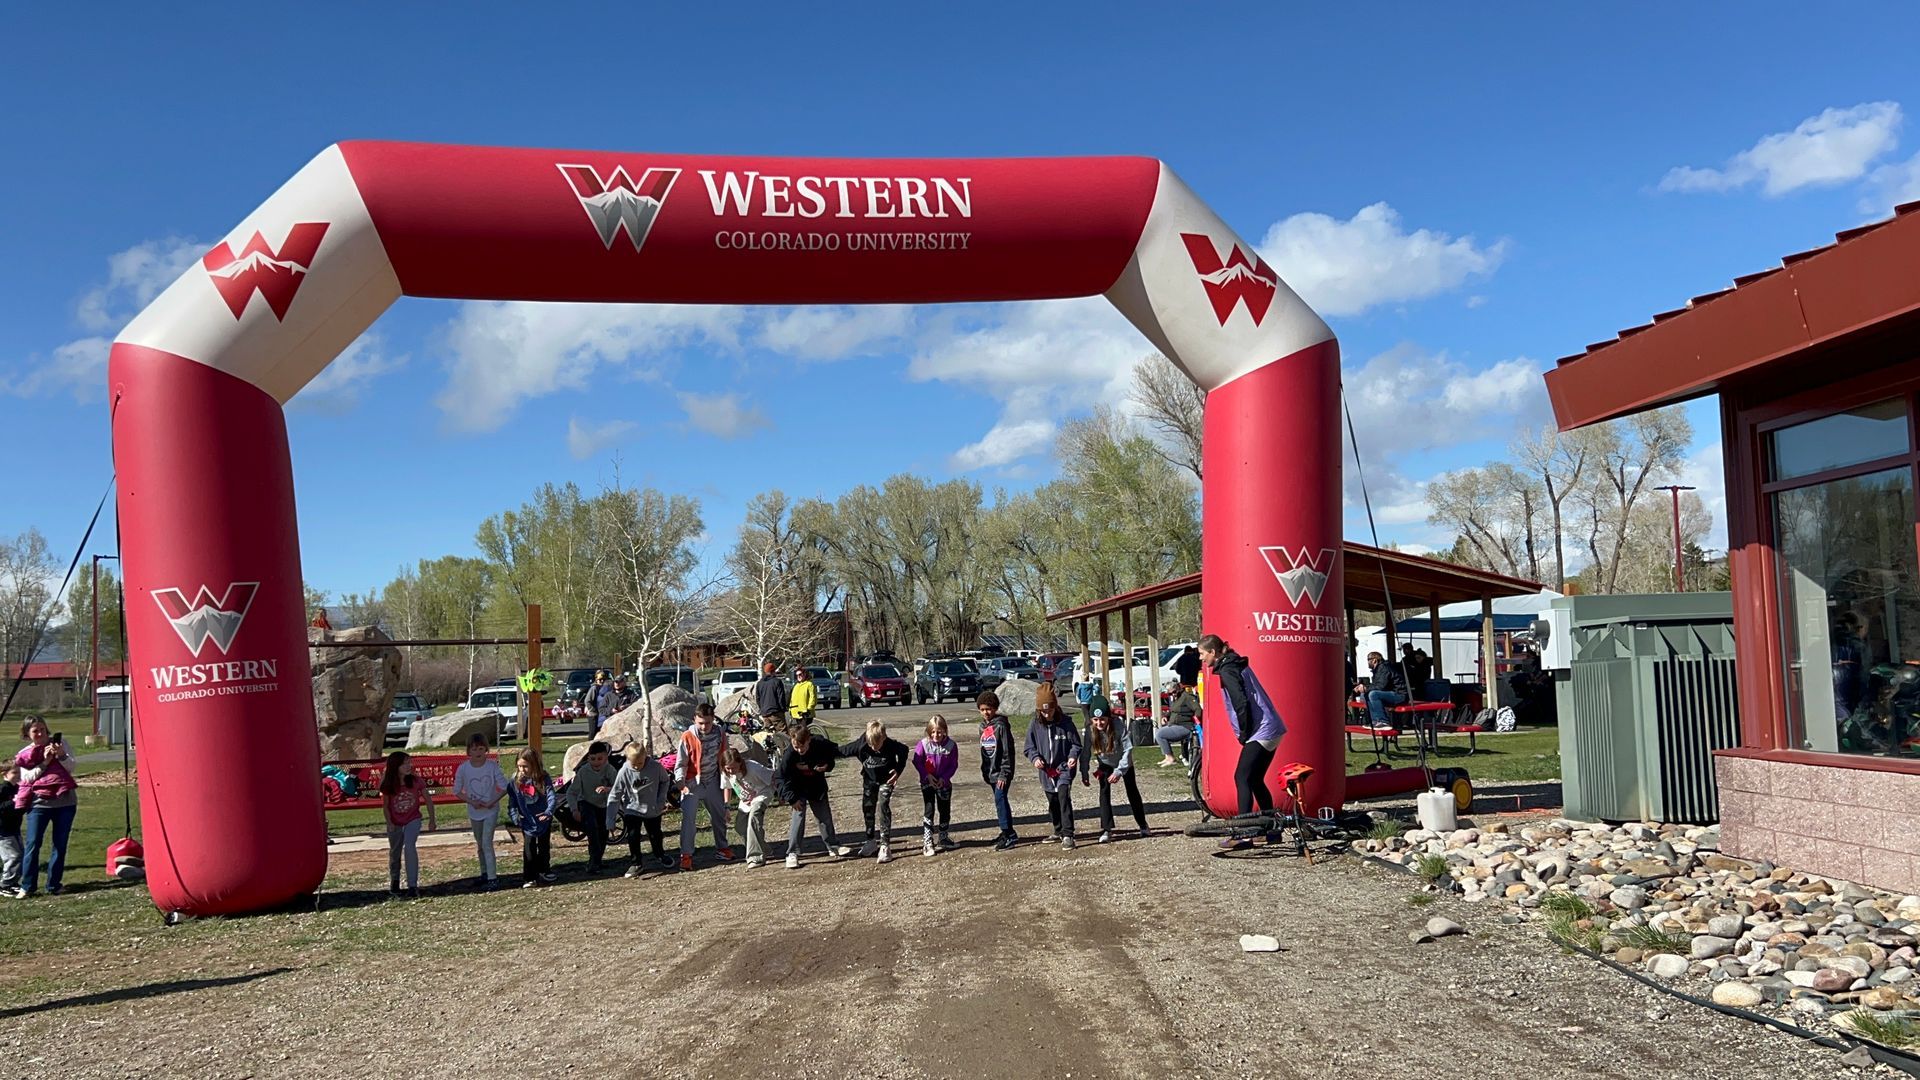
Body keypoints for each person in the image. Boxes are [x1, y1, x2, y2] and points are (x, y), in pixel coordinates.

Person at [1201, 634, 1286, 848]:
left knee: (1241, 777)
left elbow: (1241, 702)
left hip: (1261, 730)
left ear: (1213, 652)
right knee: (1255, 779)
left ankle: (1244, 833)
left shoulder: (1228, 669)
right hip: (1273, 727)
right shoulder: (1234, 663)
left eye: (1203, 654)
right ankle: (1272, 831)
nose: (1202, 660)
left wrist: (1244, 732)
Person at [774, 720, 850, 869]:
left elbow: (833, 752)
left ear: (809, 739)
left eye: (802, 746)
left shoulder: (820, 743)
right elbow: (780, 777)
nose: (800, 750)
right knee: (798, 817)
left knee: (824, 817)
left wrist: (827, 766)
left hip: (816, 786)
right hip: (797, 788)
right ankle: (792, 853)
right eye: (796, 746)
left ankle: (833, 845)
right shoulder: (790, 754)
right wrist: (791, 798)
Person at [14, 717, 76, 896]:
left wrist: (61, 755)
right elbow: (26, 778)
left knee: (60, 844)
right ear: (27, 734)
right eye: (35, 731)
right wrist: (45, 762)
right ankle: (27, 886)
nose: (40, 733)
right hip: (39, 803)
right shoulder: (25, 753)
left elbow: (71, 767)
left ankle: (54, 884)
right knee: (33, 843)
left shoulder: (60, 743)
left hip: (65, 802)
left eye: (42, 729)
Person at [840, 718, 910, 863]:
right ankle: (870, 840)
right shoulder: (861, 745)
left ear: (884, 737)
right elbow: (842, 751)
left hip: (886, 779)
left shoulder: (891, 745)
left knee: (883, 805)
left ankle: (885, 845)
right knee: (868, 807)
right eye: (871, 745)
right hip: (870, 780)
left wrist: (898, 770)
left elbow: (904, 750)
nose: (873, 748)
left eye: (877, 745)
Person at [675, 704, 734, 870]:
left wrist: (726, 778)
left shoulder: (720, 733)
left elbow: (724, 756)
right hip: (692, 783)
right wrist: (680, 782)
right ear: (694, 719)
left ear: (713, 719)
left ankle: (722, 848)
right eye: (701, 723)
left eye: (707, 723)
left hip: (713, 780)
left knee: (719, 814)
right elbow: (681, 762)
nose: (704, 726)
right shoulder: (687, 736)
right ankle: (686, 855)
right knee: (689, 820)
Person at [1025, 685, 1082, 850]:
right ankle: (1058, 830)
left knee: (1064, 798)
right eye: (1043, 711)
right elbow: (1029, 747)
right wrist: (1035, 758)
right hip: (1046, 771)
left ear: (1055, 707)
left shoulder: (1066, 723)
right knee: (1053, 801)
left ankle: (1068, 834)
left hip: (1063, 769)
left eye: (1050, 709)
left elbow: (1076, 745)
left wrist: (1072, 756)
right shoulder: (1035, 724)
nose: (1047, 714)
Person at [452, 733, 511, 891]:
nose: (478, 752)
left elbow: (505, 786)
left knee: (487, 842)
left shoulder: (492, 766)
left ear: (486, 749)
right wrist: (472, 802)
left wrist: (492, 801)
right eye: (474, 749)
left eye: (481, 748)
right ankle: (484, 872)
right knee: (480, 844)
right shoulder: (464, 768)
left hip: (490, 810)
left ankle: (493, 877)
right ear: (468, 751)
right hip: (474, 810)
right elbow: (457, 790)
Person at [1083, 708, 1149, 842]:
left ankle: (1143, 825)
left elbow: (1128, 749)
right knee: (1104, 792)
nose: (1099, 723)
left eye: (1102, 719)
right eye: (1095, 720)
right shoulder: (1090, 730)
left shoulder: (1118, 725)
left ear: (1109, 718)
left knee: (1132, 791)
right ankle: (1107, 829)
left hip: (1123, 762)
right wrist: (1084, 771)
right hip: (1105, 763)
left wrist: (1119, 770)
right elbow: (1085, 753)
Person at [608, 743, 672, 876]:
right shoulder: (624, 771)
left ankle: (660, 854)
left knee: (655, 834)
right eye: (634, 764)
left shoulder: (655, 767)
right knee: (633, 836)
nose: (637, 766)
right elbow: (615, 794)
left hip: (652, 808)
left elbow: (665, 781)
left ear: (646, 757)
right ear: (627, 759)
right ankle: (636, 863)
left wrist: (660, 800)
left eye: (640, 763)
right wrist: (610, 818)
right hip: (632, 808)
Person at [380, 750, 436, 898]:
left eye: (409, 762)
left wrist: (432, 819)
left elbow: (428, 800)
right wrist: (390, 822)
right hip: (395, 821)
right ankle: (395, 880)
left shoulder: (416, 781)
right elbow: (385, 806)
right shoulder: (389, 783)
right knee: (395, 851)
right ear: (395, 766)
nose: (408, 766)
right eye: (404, 763)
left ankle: (412, 885)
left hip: (413, 818)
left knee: (410, 845)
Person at [720, 747, 777, 868]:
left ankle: (755, 857)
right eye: (728, 768)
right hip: (745, 799)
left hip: (762, 794)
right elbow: (727, 788)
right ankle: (765, 849)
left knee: (753, 818)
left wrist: (781, 793)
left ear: (740, 763)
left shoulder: (753, 768)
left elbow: (773, 776)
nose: (731, 771)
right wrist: (727, 807)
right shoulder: (726, 772)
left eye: (734, 768)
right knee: (740, 827)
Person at [507, 749, 556, 887]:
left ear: (534, 765)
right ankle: (529, 877)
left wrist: (548, 812)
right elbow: (512, 800)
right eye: (519, 766)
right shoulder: (515, 780)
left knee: (544, 845)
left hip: (543, 818)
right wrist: (514, 815)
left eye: (525, 766)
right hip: (527, 819)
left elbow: (551, 796)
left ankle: (544, 870)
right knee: (529, 847)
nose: (522, 770)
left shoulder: (543, 778)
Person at [911, 715, 959, 857]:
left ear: (944, 731)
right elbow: (917, 761)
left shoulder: (951, 745)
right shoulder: (924, 744)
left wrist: (944, 778)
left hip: (944, 783)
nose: (936, 735)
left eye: (939, 732)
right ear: (928, 732)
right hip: (928, 783)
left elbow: (953, 764)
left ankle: (943, 837)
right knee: (929, 809)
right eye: (933, 732)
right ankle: (928, 841)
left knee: (944, 810)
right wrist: (926, 775)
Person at [569, 740, 618, 874]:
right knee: (593, 831)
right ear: (588, 758)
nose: (596, 762)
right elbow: (572, 792)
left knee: (603, 833)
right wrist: (574, 809)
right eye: (593, 759)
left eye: (600, 759)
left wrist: (607, 789)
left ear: (606, 758)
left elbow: (618, 787)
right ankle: (592, 862)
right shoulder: (584, 771)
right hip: (586, 803)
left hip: (603, 805)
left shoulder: (610, 770)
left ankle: (598, 860)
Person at [977, 690, 1018, 850]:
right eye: (982, 709)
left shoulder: (1001, 726)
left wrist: (1004, 773)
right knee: (998, 801)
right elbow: (984, 751)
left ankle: (1009, 834)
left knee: (1001, 800)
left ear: (995, 708)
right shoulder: (982, 727)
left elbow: (1008, 752)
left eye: (989, 709)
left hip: (1001, 773)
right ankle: (1006, 831)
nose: (986, 712)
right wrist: (985, 770)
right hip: (990, 772)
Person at [1356, 650, 1410, 728]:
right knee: (1367, 694)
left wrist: (1365, 687)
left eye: (1368, 660)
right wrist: (1365, 688)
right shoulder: (1378, 670)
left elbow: (1381, 686)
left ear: (1374, 660)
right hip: (1392, 694)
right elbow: (1376, 685)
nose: (1367, 662)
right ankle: (1375, 721)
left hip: (1400, 695)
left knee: (1373, 694)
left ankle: (1383, 721)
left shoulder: (1384, 668)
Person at [1154, 681, 1199, 768]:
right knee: (1158, 731)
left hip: (1185, 726)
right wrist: (1166, 716)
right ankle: (1167, 757)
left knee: (1160, 734)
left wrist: (1194, 719)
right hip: (1175, 724)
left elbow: (1198, 710)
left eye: (1174, 692)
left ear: (1178, 689)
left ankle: (1171, 758)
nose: (1172, 694)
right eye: (1170, 693)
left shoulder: (1187, 697)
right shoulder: (1177, 698)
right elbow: (1172, 710)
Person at [0, 763, 19, 897]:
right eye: (14, 773)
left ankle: (13, 882)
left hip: (14, 827)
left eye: (19, 772)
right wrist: (14, 801)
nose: (17, 776)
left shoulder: (17, 788)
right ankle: (5, 884)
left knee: (20, 855)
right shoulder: (2, 789)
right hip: (3, 829)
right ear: (4, 774)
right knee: (12, 856)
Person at [753, 662, 788, 726]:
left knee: (768, 733)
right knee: (783, 733)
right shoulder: (777, 682)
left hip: (765, 713)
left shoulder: (759, 683)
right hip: (775, 712)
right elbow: (781, 697)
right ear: (773, 671)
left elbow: (758, 699)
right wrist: (783, 709)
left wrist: (762, 709)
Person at [590, 670, 617, 736]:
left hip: (601, 718)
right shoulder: (594, 688)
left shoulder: (601, 691)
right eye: (600, 679)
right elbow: (587, 701)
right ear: (596, 679)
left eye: (603, 679)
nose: (602, 681)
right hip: (600, 717)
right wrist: (592, 710)